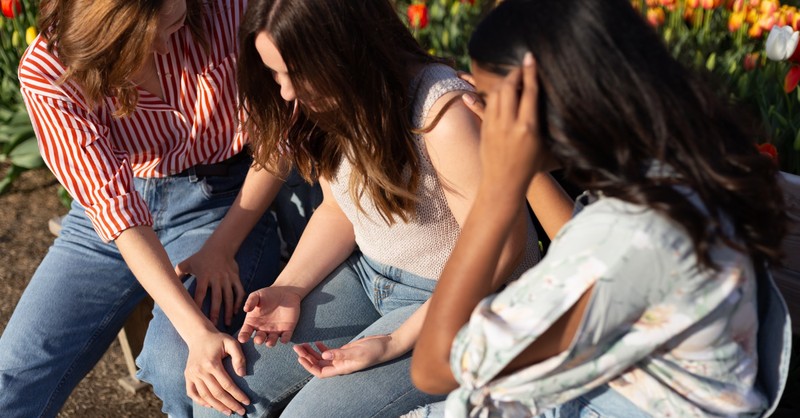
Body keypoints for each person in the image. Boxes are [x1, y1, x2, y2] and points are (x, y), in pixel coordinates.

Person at [188, 0, 572, 416]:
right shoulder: (326, 101)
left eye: (294, 73)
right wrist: (290, 286)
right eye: (277, 74)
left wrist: (396, 340)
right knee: (222, 400)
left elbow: (499, 254)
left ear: (344, 53)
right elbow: (340, 211)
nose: (286, 92)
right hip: (369, 276)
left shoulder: (439, 113)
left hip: (463, 298)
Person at [409, 0, 792, 417]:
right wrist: (525, 166)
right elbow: (587, 246)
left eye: (493, 102)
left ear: (553, 100)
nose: (488, 120)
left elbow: (435, 367)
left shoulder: (628, 236)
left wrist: (498, 193)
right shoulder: (681, 177)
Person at [0, 1, 316, 417]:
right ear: (114, 30)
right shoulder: (49, 69)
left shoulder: (229, 11)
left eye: (179, 20)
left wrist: (222, 248)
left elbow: (278, 139)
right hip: (111, 212)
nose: (172, 43)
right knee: (14, 376)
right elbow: (117, 213)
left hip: (222, 201)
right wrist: (195, 328)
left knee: (175, 366)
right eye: (159, 32)